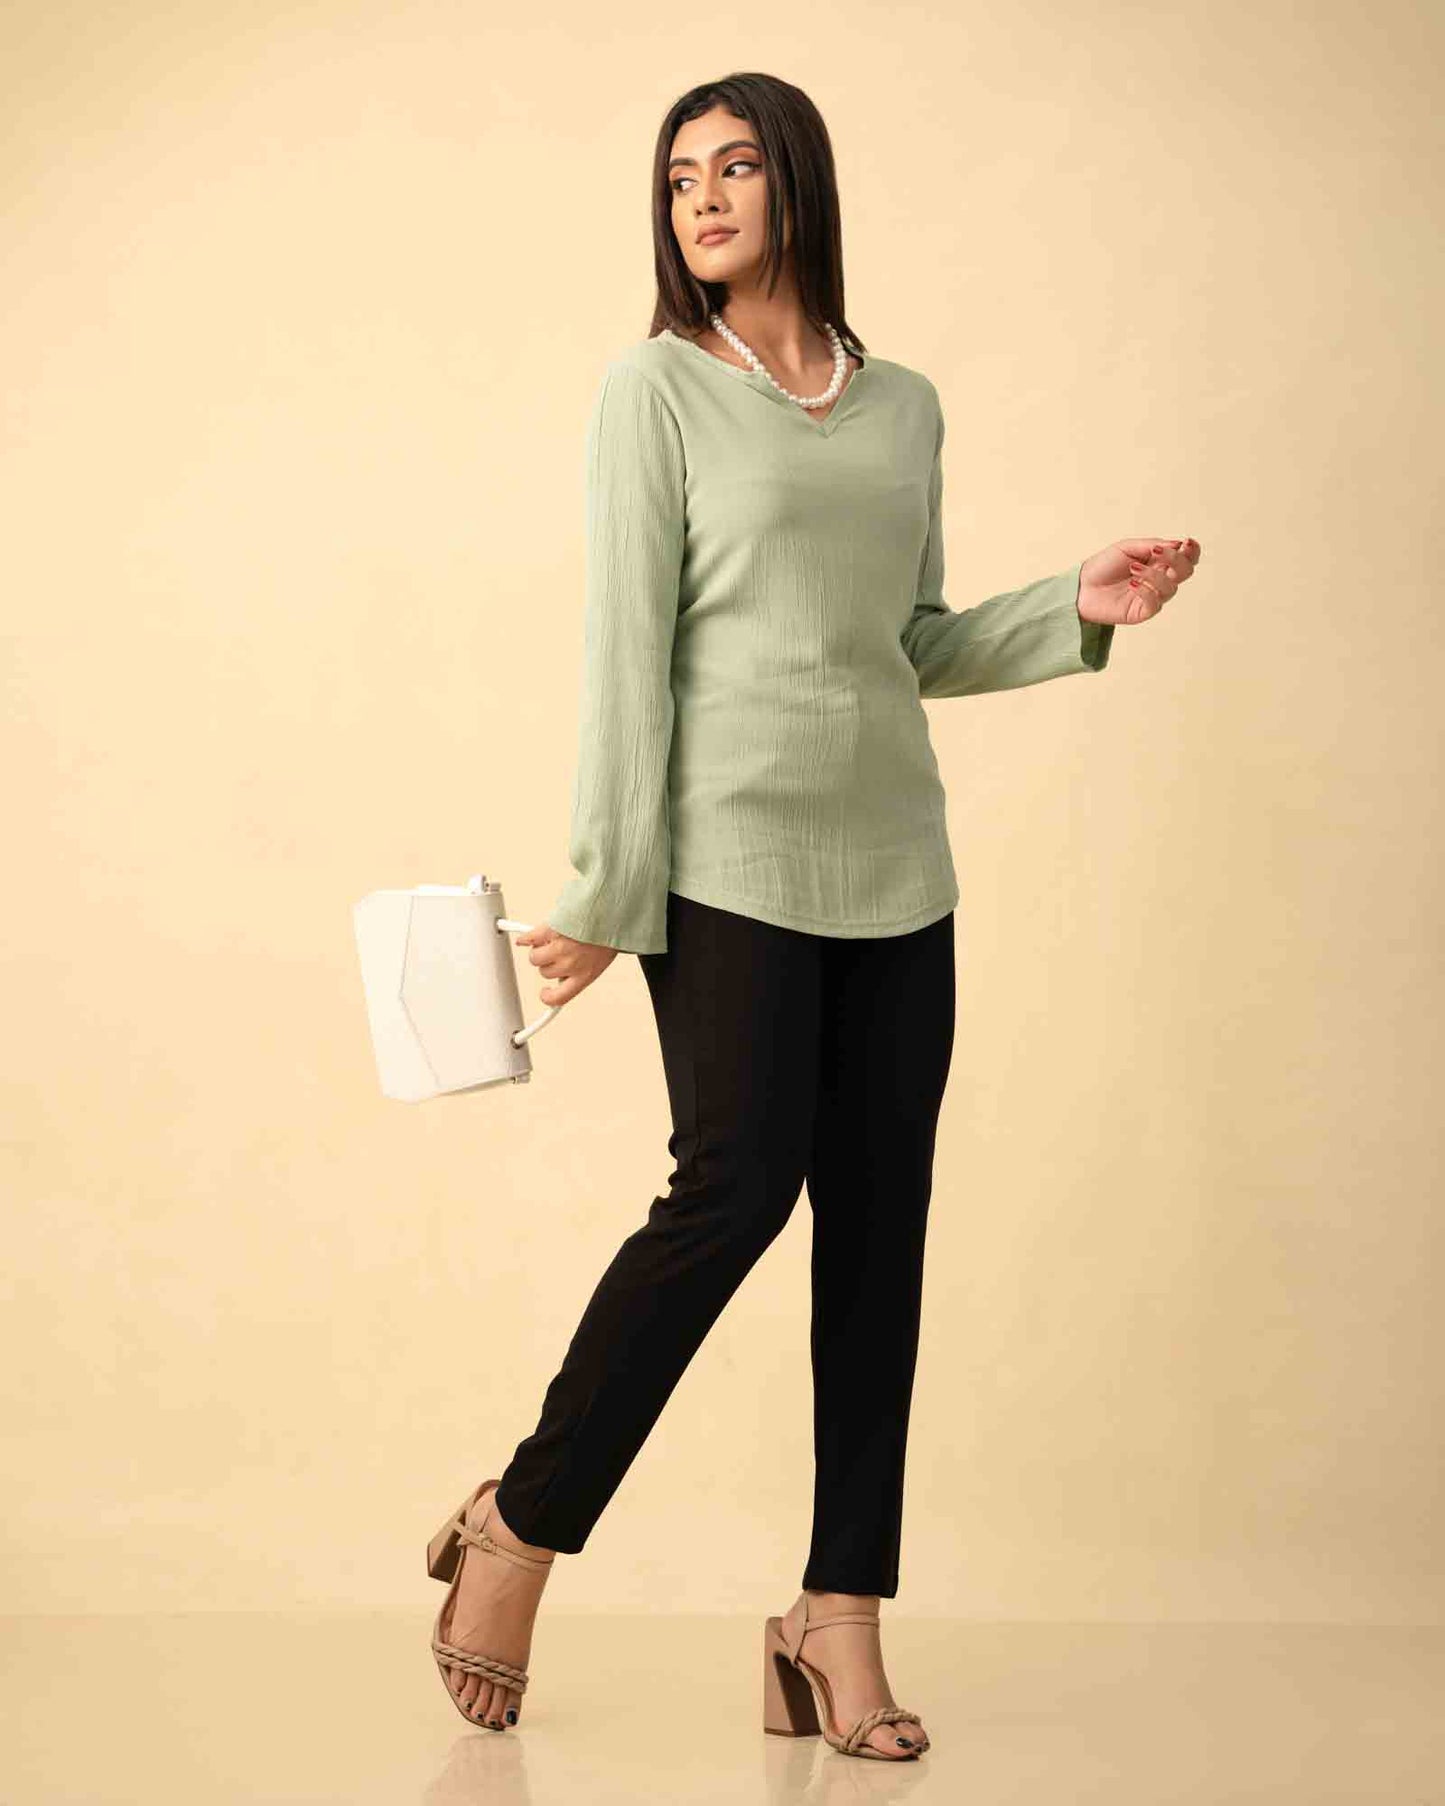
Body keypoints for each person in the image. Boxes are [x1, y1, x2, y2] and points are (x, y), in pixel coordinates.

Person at [426, 71, 1200, 1760]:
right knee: (731, 1192)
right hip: (725, 867)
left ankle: (833, 1614)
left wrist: (1068, 603)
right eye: (677, 177)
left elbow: (905, 642)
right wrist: (607, 891)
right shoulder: (653, 390)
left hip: (896, 873)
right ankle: (522, 1521)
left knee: (876, 1231)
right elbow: (624, 654)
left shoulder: (903, 404)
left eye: (734, 167)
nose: (701, 198)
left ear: (797, 185)